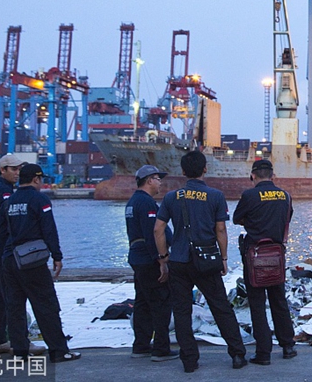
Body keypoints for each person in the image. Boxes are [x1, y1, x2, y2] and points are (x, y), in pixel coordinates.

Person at [154, 150, 247, 373]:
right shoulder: (215, 196)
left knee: (182, 311)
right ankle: (237, 354)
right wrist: (223, 258)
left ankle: (189, 360)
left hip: (179, 260)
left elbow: (158, 229)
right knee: (221, 308)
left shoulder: (171, 197)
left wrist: (164, 258)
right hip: (206, 260)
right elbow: (221, 229)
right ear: (205, 169)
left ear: (183, 171)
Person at [0, 163, 80, 363]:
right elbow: (48, 229)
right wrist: (57, 256)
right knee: (46, 305)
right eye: (41, 179)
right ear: (36, 179)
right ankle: (59, 351)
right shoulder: (40, 200)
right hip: (32, 261)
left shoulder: (9, 202)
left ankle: (20, 352)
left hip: (10, 259)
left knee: (15, 307)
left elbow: (1, 232)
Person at [233, 159, 297, 365]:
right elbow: (287, 218)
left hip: (255, 257)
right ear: (273, 176)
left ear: (253, 175)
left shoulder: (249, 195)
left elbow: (236, 218)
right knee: (279, 301)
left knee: (257, 304)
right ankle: (288, 346)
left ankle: (263, 353)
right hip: (276, 256)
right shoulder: (285, 196)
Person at [126, 165, 177, 361]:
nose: (160, 183)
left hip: (137, 257)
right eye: (157, 179)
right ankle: (161, 348)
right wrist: (162, 259)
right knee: (160, 302)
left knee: (142, 302)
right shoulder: (147, 203)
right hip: (149, 260)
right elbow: (153, 233)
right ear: (149, 181)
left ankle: (141, 345)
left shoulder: (132, 202)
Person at [0, 154, 23, 355]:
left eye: (19, 169)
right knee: (10, 296)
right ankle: (16, 341)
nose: (17, 173)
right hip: (2, 250)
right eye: (13, 169)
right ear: (2, 170)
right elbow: (11, 221)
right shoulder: (4, 192)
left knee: (0, 295)